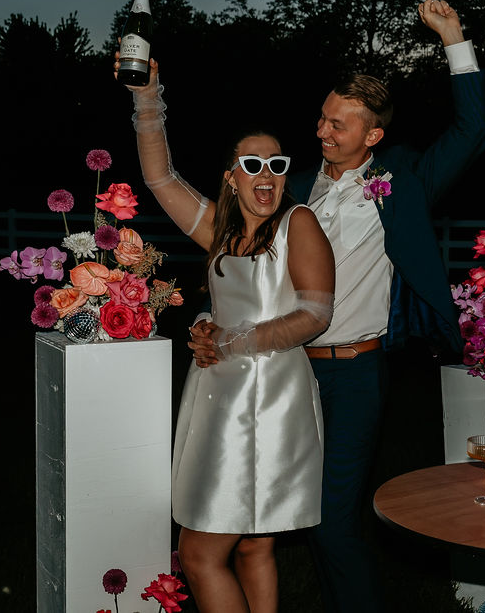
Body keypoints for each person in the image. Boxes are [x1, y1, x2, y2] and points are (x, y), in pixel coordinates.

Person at [191, 0, 485, 611]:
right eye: (322, 118)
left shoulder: (402, 184)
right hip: (285, 371)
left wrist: (453, 39)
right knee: (273, 513)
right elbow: (243, 257)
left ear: (373, 136)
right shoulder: (292, 187)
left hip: (353, 373)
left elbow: (473, 132)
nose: (321, 131)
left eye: (338, 124)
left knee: (332, 522)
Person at [119, 59, 336, 613]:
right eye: (253, 163)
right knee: (254, 544)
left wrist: (230, 342)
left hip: (270, 397)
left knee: (198, 553)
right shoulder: (218, 229)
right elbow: (159, 178)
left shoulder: (298, 224)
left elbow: (315, 314)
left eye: (277, 164)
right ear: (231, 175)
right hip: (219, 393)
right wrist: (148, 99)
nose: (267, 175)